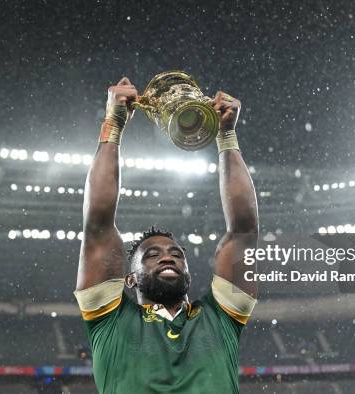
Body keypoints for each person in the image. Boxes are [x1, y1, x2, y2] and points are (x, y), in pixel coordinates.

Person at [74, 76, 259, 394]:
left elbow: (243, 232)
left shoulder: (219, 319)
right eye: (152, 255)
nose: (168, 256)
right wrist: (113, 124)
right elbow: (98, 225)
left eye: (176, 254)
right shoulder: (110, 321)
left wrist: (226, 136)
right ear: (128, 279)